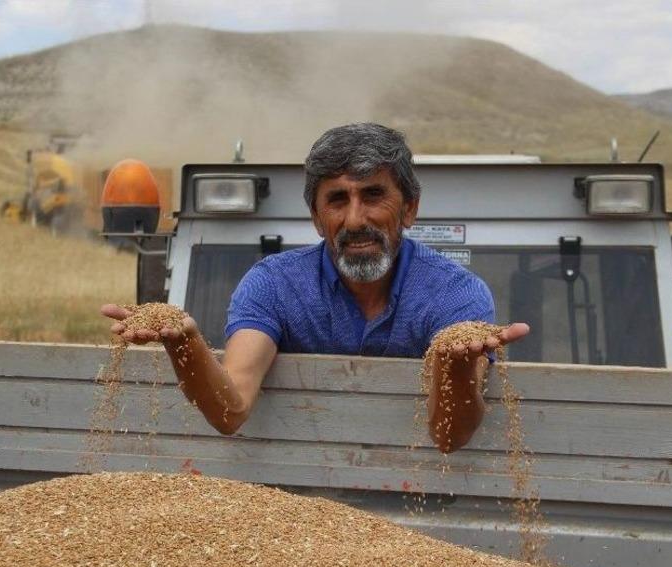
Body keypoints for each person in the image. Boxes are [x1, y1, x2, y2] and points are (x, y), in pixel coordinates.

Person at [101, 123, 529, 453]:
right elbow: (231, 410)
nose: (356, 219)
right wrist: (185, 342)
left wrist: (454, 366)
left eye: (373, 195)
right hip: (296, 517)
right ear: (316, 216)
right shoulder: (273, 285)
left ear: (410, 208)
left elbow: (448, 437)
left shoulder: (456, 295)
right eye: (338, 200)